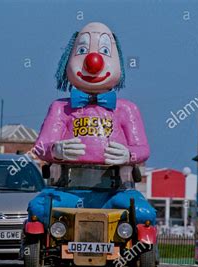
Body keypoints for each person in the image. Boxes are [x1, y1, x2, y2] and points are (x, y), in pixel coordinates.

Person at [28, 22, 156, 225]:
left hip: (115, 190)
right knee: (40, 210)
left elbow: (143, 148)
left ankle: (142, 253)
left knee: (142, 214)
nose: (93, 61)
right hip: (67, 189)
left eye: (105, 51)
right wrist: (56, 150)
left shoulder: (126, 109)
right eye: (82, 50)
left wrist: (128, 155)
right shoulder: (60, 108)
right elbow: (41, 147)